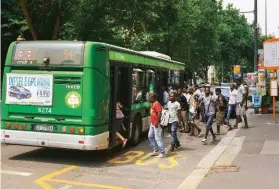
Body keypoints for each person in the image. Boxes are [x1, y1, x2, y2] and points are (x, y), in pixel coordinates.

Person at [148, 93, 166, 158]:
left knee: (158, 138)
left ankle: (162, 152)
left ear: (154, 98)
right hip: (152, 124)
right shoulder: (153, 103)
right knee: (150, 136)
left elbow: (159, 113)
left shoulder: (157, 104)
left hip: (156, 124)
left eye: (150, 97)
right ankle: (156, 150)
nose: (149, 99)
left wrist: (157, 122)